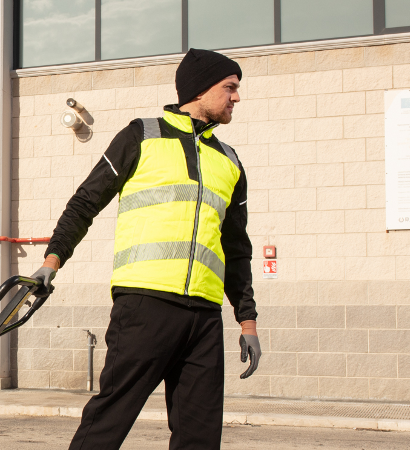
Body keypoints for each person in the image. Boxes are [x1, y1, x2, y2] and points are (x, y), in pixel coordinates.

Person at [29, 48, 261, 450]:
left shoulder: (230, 161)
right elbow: (86, 201)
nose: (236, 97)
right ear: (202, 88)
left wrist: (248, 321)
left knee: (200, 437)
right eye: (230, 88)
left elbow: (237, 248)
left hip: (205, 316)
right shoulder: (142, 135)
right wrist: (53, 259)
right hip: (145, 306)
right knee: (108, 422)